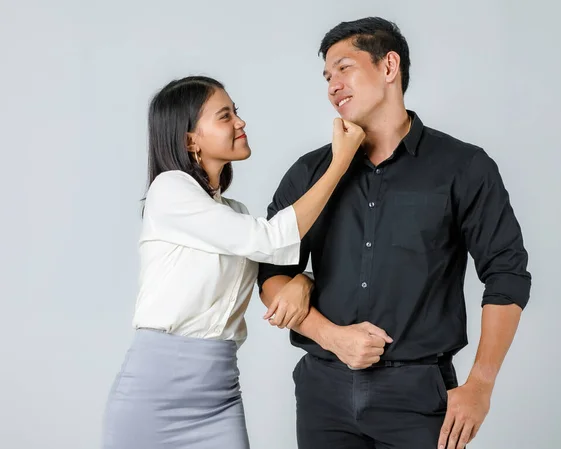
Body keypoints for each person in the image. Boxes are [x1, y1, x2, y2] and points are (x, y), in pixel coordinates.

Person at [258, 17, 531, 449]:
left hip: (419, 394)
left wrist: (481, 384)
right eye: (327, 76)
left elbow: (508, 275)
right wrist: (329, 332)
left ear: (389, 67)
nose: (332, 85)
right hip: (322, 392)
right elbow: (269, 271)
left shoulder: (463, 167)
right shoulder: (311, 172)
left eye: (344, 68)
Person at [101, 75, 365, 449]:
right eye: (225, 116)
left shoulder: (233, 213)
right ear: (190, 138)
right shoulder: (170, 190)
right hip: (153, 395)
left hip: (219, 393)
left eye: (235, 113)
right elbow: (273, 240)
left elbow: (273, 259)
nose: (240, 123)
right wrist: (339, 164)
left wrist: (302, 281)